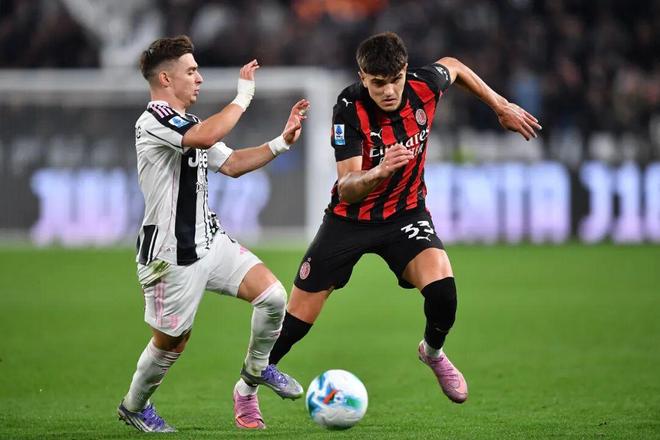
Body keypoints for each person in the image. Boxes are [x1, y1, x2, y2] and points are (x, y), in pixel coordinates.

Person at [267, 32, 541, 404]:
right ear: (363, 78)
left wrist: (500, 105)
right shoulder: (348, 107)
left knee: (444, 293)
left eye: (395, 80)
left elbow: (455, 67)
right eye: (378, 83)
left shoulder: (424, 86)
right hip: (349, 220)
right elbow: (347, 187)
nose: (389, 91)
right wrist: (380, 171)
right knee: (295, 323)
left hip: (405, 214)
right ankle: (250, 382)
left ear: (406, 71)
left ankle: (432, 352)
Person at [117, 35, 310, 432]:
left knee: (273, 297)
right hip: (171, 255)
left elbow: (233, 163)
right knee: (172, 342)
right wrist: (244, 96)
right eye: (191, 71)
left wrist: (280, 143)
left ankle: (256, 371)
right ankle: (134, 406)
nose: (199, 78)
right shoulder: (154, 120)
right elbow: (205, 138)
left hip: (209, 240)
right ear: (166, 79)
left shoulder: (188, 124)